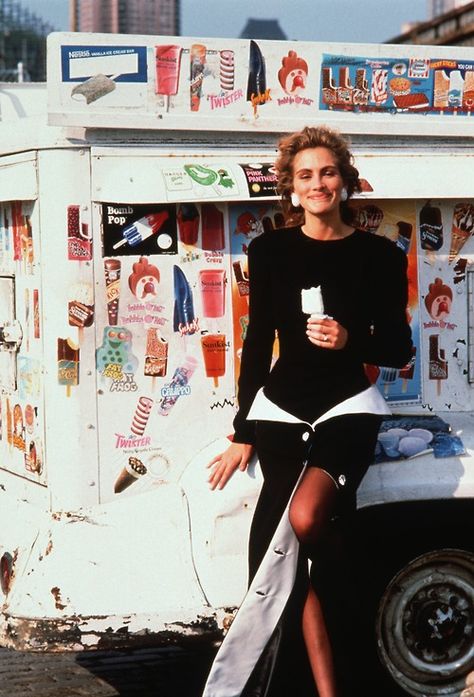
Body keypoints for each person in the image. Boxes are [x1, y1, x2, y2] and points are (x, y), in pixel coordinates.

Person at [202, 125, 413, 697]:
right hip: (281, 409)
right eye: (305, 175)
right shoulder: (269, 250)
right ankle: (327, 690)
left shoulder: (380, 256)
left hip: (348, 406)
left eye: (327, 172)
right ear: (290, 189)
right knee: (280, 562)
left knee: (306, 519)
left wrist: (351, 341)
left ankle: (360, 584)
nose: (317, 183)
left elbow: (399, 350)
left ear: (345, 181)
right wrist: (243, 429)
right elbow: (254, 343)